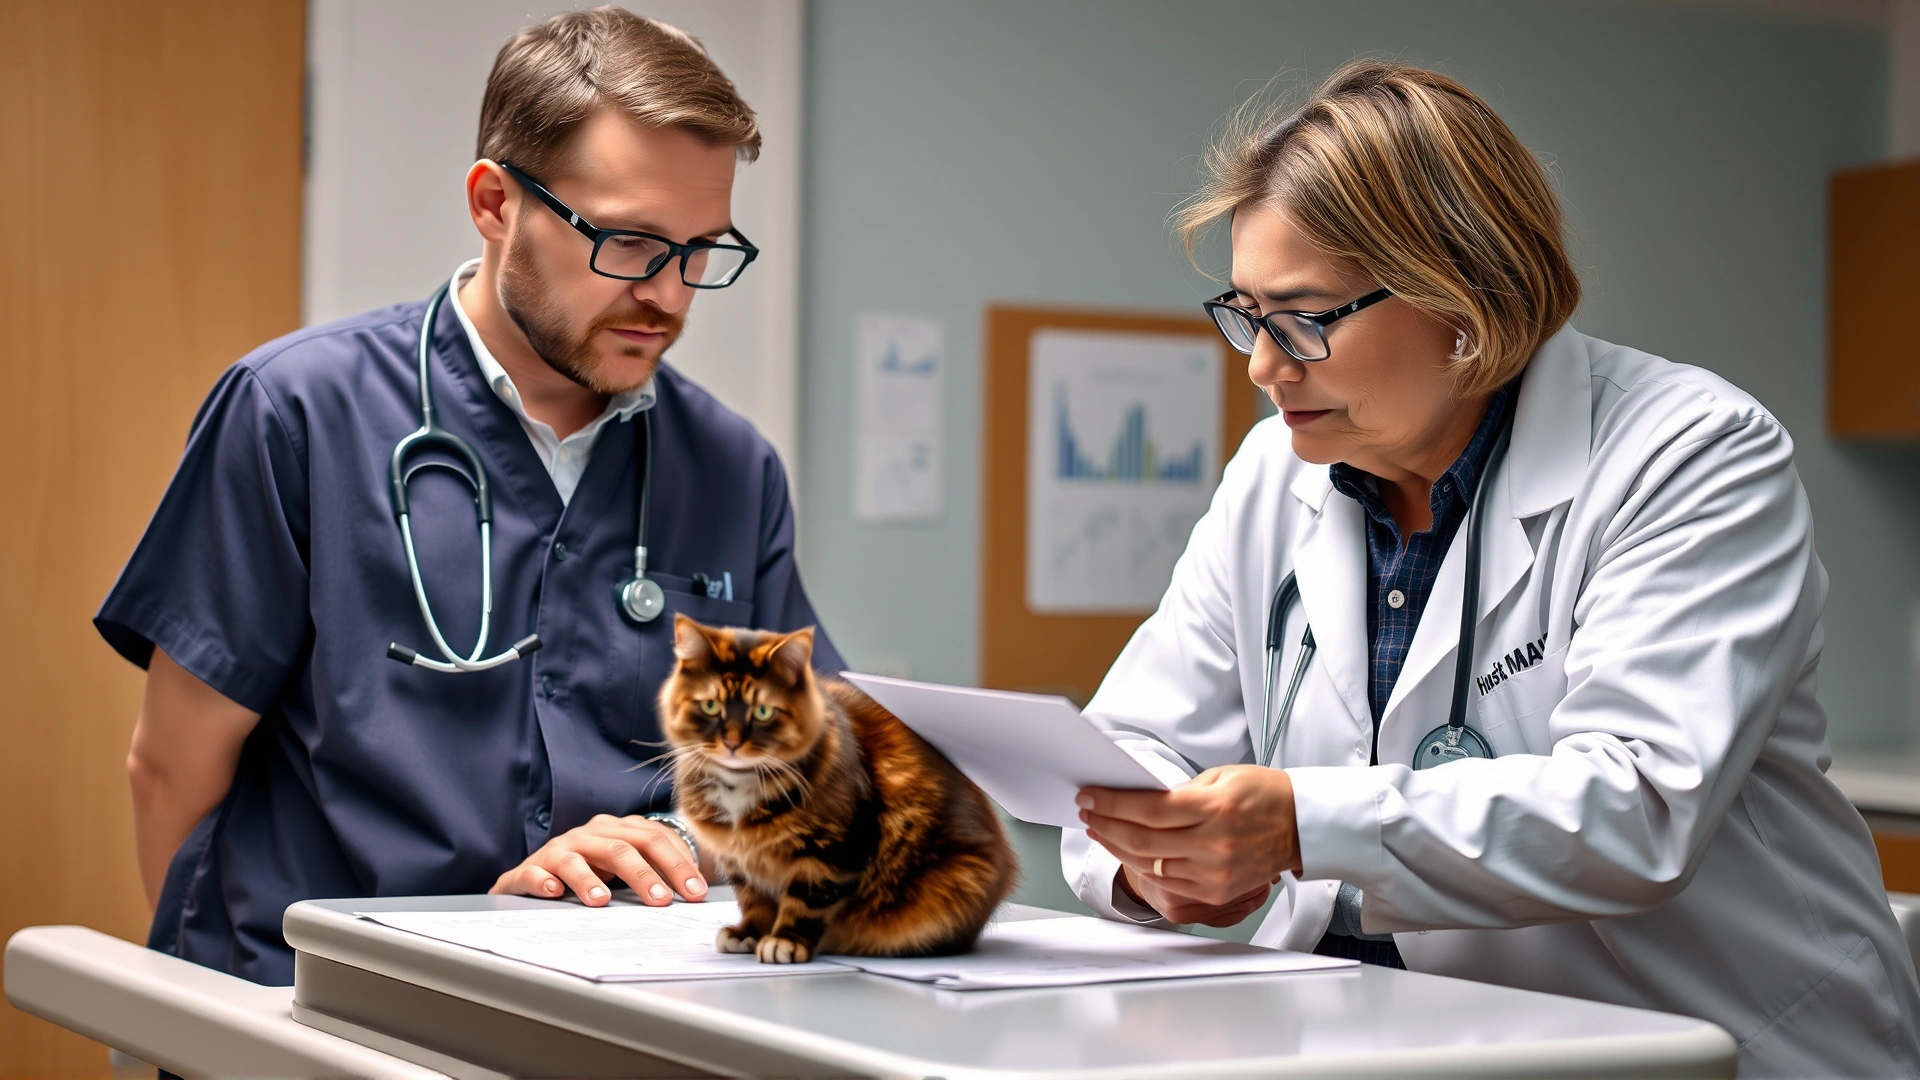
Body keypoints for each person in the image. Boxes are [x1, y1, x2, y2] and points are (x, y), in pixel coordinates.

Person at [1062, 61, 1920, 1078]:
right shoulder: (1274, 473)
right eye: (1247, 314)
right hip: (1373, 1034)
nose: (1262, 365)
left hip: (1704, 1042)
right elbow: (1142, 742)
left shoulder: (1691, 453)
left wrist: (1297, 826)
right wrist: (1163, 859)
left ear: (1462, 296)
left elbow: (1636, 809)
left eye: (1303, 318)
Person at [99, 7, 842, 986]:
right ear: (496, 203)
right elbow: (171, 770)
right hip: (320, 1011)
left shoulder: (730, 469)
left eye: (702, 249)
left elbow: (805, 779)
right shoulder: (296, 414)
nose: (670, 295)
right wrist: (212, 1014)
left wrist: (666, 840)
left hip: (611, 1016)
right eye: (628, 243)